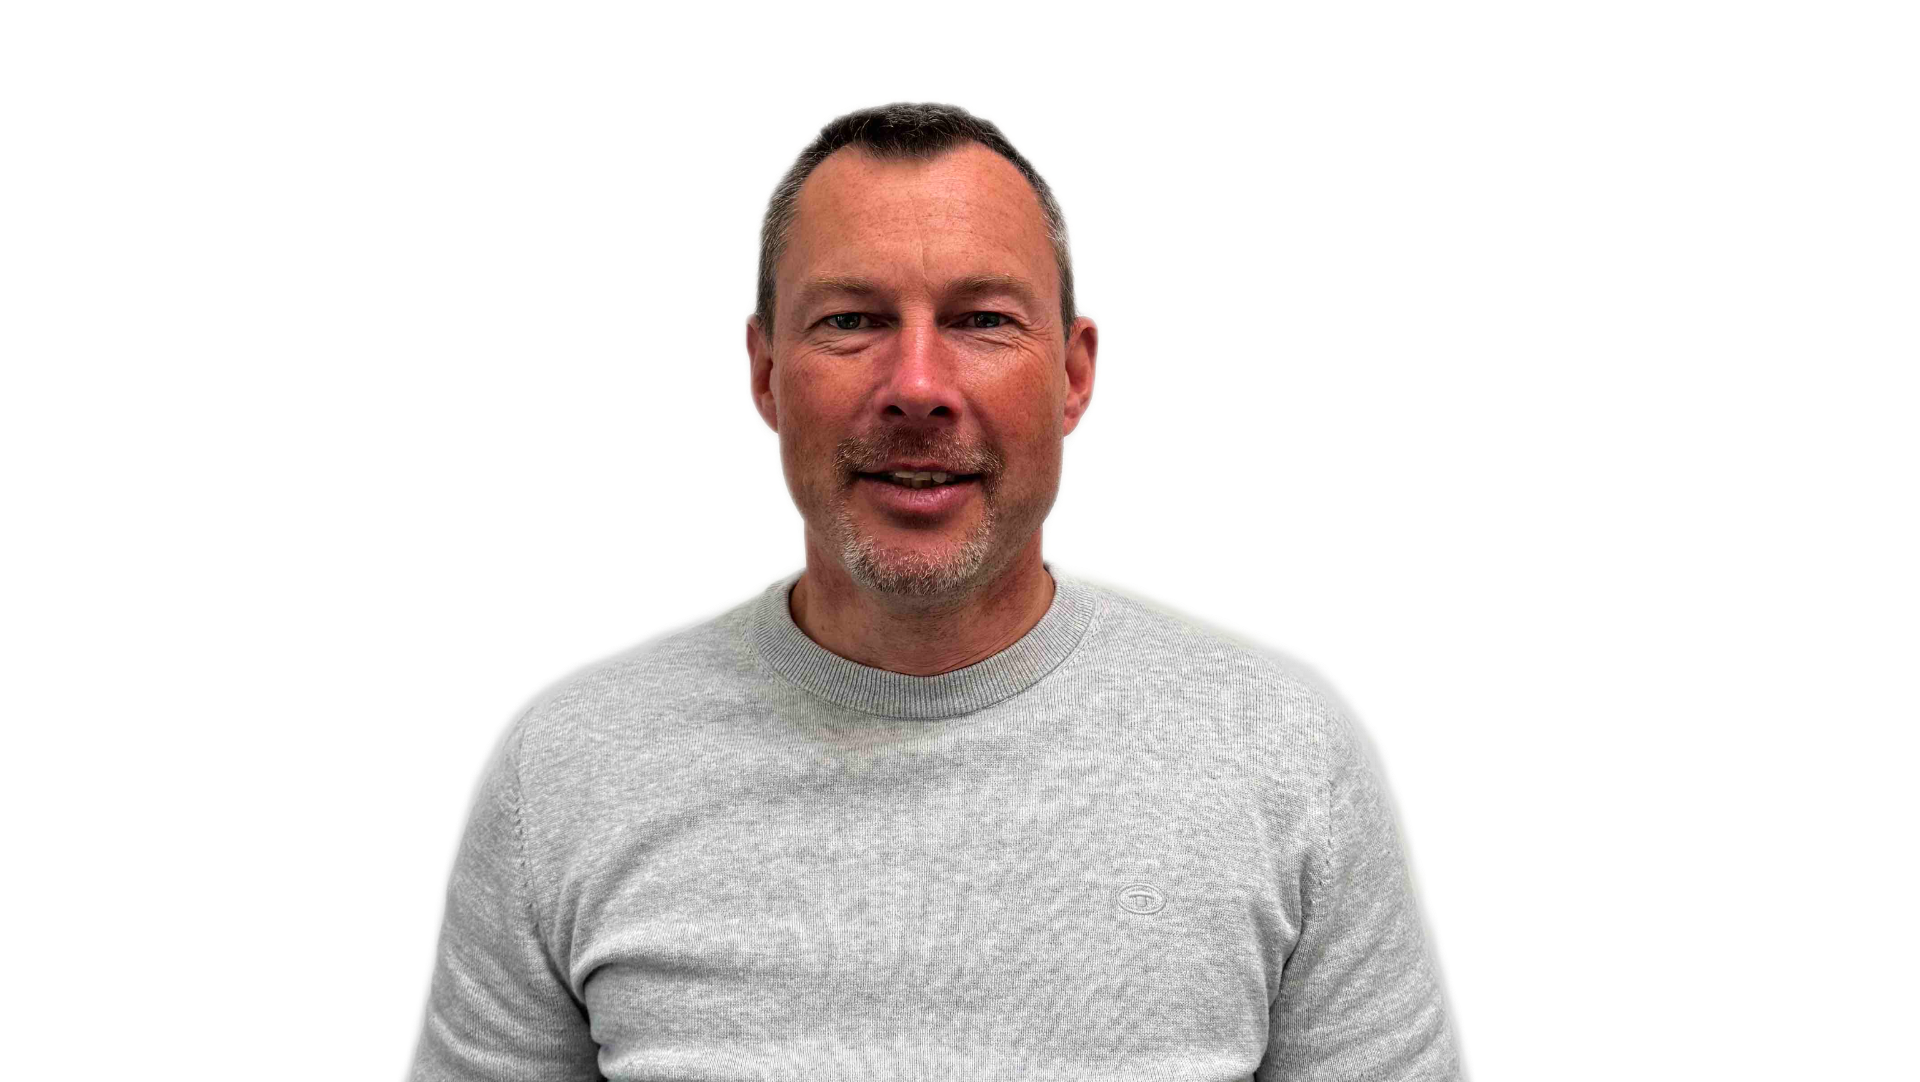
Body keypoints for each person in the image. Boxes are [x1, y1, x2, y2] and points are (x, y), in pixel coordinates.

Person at [406, 98, 1467, 1080]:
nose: (917, 387)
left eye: (982, 319)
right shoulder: (565, 764)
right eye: (852, 320)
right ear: (763, 370)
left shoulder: (1289, 747)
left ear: (1076, 373)